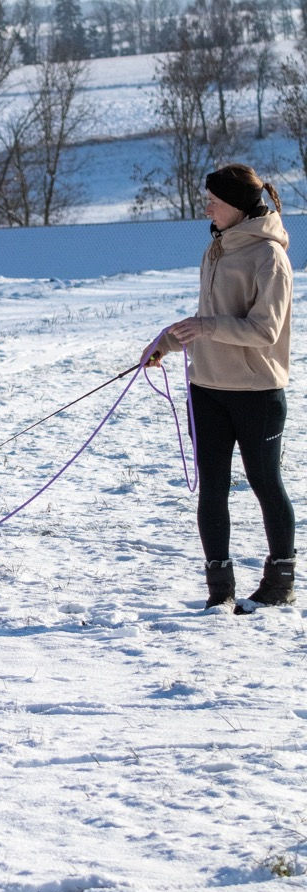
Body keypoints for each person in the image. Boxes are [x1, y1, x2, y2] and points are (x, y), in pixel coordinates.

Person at [144, 163, 296, 613]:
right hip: (205, 388)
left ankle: (281, 578)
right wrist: (166, 342)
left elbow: (265, 330)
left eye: (213, 199)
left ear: (236, 204)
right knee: (212, 488)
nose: (206, 206)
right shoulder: (216, 247)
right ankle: (219, 587)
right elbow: (205, 317)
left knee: (265, 483)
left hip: (256, 392)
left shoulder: (269, 257)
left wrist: (207, 327)